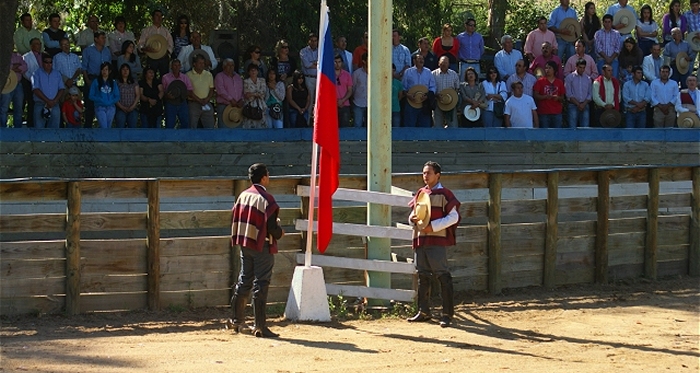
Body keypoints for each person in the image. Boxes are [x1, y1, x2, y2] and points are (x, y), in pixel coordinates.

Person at [229, 163, 284, 338]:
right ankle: (259, 326)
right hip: (262, 246)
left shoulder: (243, 195)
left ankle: (236, 320)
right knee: (261, 283)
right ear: (263, 177)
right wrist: (280, 232)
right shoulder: (266, 199)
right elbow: (272, 227)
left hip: (246, 243)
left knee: (244, 280)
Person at [407, 161, 460, 328]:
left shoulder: (445, 194)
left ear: (438, 175)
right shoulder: (421, 193)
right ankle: (424, 311)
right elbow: (412, 215)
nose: (425, 176)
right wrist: (412, 219)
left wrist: (433, 227)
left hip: (436, 240)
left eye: (428, 173)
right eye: (424, 173)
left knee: (442, 275)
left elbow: (454, 217)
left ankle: (447, 314)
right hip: (421, 239)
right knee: (423, 274)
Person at [82, 31, 113, 128]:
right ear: (96, 39)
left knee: (105, 105)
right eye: (102, 38)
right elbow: (84, 67)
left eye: (105, 38)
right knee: (90, 106)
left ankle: (104, 130)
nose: (104, 40)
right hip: (92, 78)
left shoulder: (107, 51)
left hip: (104, 80)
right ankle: (87, 130)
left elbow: (110, 66)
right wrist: (87, 81)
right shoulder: (88, 50)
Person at [32, 53, 65, 128]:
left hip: (54, 105)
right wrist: (47, 101)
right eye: (46, 62)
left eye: (50, 62)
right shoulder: (36, 74)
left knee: (54, 130)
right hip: (40, 104)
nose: (48, 64)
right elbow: (35, 89)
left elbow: (61, 89)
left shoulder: (57, 74)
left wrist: (54, 101)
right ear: (42, 63)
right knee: (39, 130)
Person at [402, 54, 436, 127]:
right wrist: (408, 95)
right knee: (409, 126)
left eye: (422, 59)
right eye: (419, 59)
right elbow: (403, 87)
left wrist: (427, 96)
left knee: (424, 128)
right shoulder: (408, 72)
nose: (421, 60)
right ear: (414, 61)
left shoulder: (428, 72)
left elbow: (433, 87)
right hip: (411, 103)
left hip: (424, 104)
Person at [138, 9, 174, 77]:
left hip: (163, 58)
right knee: (150, 77)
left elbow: (170, 44)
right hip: (151, 57)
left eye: (161, 16)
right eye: (157, 15)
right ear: (152, 17)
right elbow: (140, 44)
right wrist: (145, 49)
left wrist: (167, 53)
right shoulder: (147, 31)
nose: (159, 18)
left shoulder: (166, 31)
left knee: (165, 77)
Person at [533, 60, 566, 128]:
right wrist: (545, 97)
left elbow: (563, 97)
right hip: (544, 112)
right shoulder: (540, 81)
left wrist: (558, 98)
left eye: (549, 68)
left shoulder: (559, 82)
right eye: (546, 68)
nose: (547, 70)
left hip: (556, 112)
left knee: (557, 134)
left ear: (554, 70)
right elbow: (536, 95)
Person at [162, 59, 193, 129]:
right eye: (175, 65)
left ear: (180, 67)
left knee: (185, 122)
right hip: (170, 103)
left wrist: (182, 92)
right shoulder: (165, 77)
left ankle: (184, 138)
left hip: (182, 102)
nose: (176, 67)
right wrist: (167, 96)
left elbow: (190, 90)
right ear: (171, 67)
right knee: (169, 124)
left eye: (178, 65)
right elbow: (163, 92)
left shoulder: (185, 77)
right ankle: (169, 139)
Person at [186, 54, 215, 129]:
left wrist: (207, 99)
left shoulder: (208, 74)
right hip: (193, 103)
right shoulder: (188, 75)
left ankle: (209, 140)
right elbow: (188, 91)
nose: (202, 65)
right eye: (200, 63)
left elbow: (211, 89)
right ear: (194, 64)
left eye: (203, 63)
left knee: (210, 126)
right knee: (192, 125)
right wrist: (199, 100)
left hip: (206, 103)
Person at [89, 62, 120, 128]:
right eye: (103, 69)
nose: (104, 71)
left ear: (109, 71)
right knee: (104, 127)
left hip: (111, 107)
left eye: (106, 69)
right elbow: (91, 95)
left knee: (108, 127)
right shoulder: (95, 81)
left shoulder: (113, 83)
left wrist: (111, 101)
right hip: (99, 107)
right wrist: (99, 99)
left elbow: (117, 96)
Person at [215, 58, 244, 127]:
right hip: (224, 106)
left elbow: (242, 90)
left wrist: (242, 100)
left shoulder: (238, 77)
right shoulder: (219, 76)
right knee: (224, 130)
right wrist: (231, 99)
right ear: (224, 67)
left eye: (232, 65)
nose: (231, 67)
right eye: (228, 65)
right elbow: (220, 90)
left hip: (237, 107)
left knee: (238, 129)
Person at [432, 56, 460, 128]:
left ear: (449, 64)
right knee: (437, 125)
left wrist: (452, 96)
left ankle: (453, 139)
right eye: (442, 63)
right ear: (438, 63)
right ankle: (438, 139)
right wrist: (436, 95)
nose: (444, 64)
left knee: (453, 125)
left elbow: (457, 88)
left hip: (451, 103)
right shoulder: (433, 74)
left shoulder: (454, 74)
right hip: (437, 102)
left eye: (446, 63)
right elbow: (430, 88)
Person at [1, 52, 27, 127]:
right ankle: (3, 128)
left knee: (19, 108)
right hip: (6, 85)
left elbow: (25, 66)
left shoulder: (18, 56)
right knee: (4, 108)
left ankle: (17, 128)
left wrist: (12, 68)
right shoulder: (3, 56)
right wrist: (14, 66)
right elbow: (4, 68)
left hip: (18, 84)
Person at [22, 38, 44, 128]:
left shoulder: (43, 56)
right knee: (31, 103)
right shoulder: (26, 57)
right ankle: (31, 124)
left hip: (43, 84)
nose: (38, 46)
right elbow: (25, 72)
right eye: (36, 44)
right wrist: (33, 80)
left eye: (39, 44)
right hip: (30, 83)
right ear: (31, 46)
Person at [565, 59, 592, 128]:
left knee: (585, 128)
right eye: (580, 67)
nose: (582, 69)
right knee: (572, 127)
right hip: (572, 105)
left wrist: (583, 104)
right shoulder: (569, 78)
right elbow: (568, 94)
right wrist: (578, 104)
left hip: (585, 105)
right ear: (576, 67)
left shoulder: (588, 79)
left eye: (583, 68)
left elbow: (590, 94)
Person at [242, 63, 268, 129]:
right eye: (251, 70)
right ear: (248, 72)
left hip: (261, 105)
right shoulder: (246, 81)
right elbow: (246, 94)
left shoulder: (262, 80)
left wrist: (252, 94)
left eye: (255, 70)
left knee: (262, 126)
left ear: (257, 71)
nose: (253, 72)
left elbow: (263, 93)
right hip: (249, 106)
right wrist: (257, 94)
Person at [595, 14, 621, 78]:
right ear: (603, 23)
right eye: (605, 22)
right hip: (601, 59)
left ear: (612, 22)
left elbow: (618, 48)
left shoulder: (616, 34)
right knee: (602, 78)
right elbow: (598, 48)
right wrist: (606, 58)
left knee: (614, 78)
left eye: (609, 22)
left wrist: (611, 59)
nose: (607, 24)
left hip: (613, 59)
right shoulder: (598, 33)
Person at [115, 64, 140, 128]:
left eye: (127, 69)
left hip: (133, 109)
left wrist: (132, 107)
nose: (125, 71)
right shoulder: (116, 82)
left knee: (132, 128)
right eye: (123, 69)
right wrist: (122, 107)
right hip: (120, 109)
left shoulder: (134, 82)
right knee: (120, 128)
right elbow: (114, 96)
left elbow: (137, 95)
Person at [299, 33, 319, 111]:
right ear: (308, 41)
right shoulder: (303, 51)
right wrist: (317, 65)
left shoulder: (321, 51)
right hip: (308, 78)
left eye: (315, 41)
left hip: (319, 78)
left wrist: (313, 64)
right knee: (309, 102)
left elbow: (322, 63)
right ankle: (307, 122)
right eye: (312, 41)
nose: (314, 43)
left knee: (318, 100)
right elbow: (306, 64)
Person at [334, 54, 353, 127]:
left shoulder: (347, 75)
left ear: (342, 63)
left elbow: (350, 90)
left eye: (339, 62)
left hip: (345, 104)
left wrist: (342, 100)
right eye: (335, 62)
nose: (337, 64)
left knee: (345, 127)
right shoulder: (329, 75)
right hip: (332, 105)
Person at [352, 53, 369, 127]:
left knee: (371, 126)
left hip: (372, 104)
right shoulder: (356, 73)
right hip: (358, 103)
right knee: (357, 124)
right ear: (364, 61)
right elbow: (353, 88)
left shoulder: (376, 73)